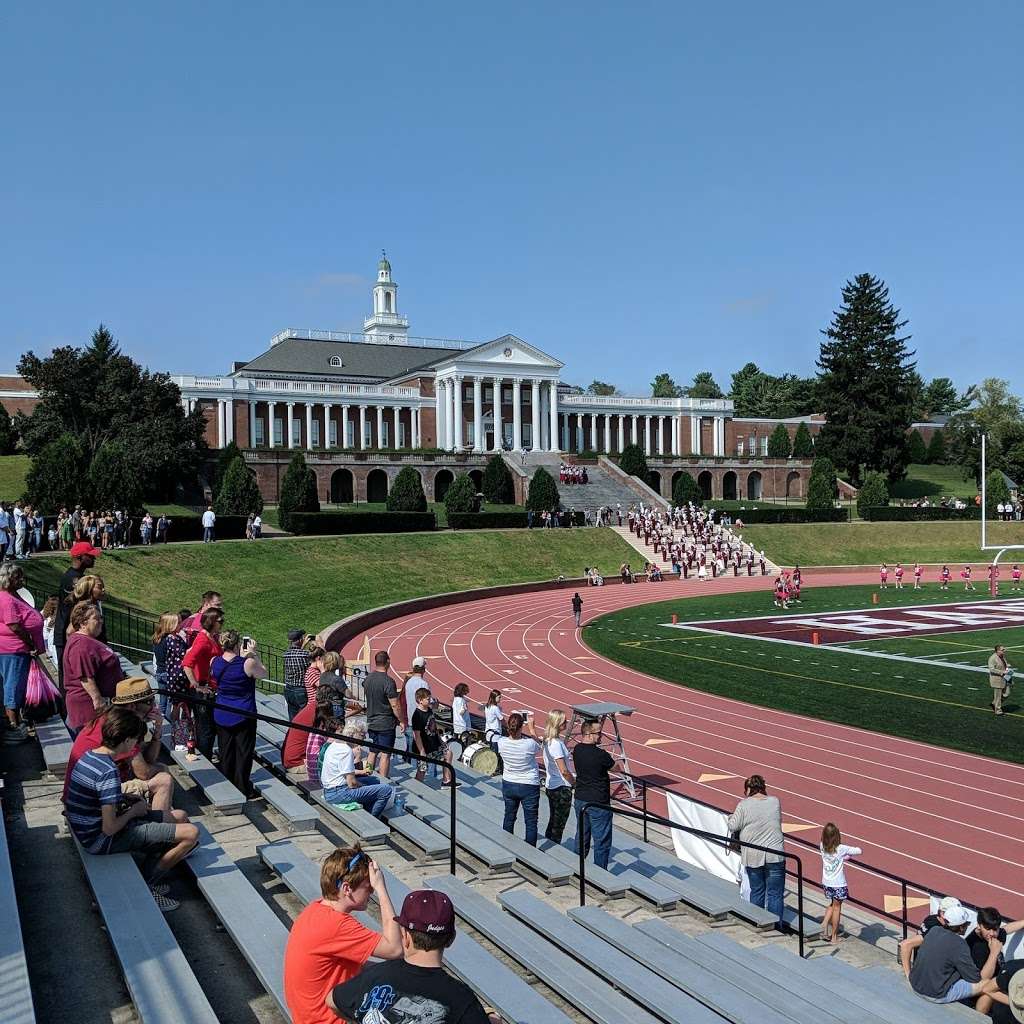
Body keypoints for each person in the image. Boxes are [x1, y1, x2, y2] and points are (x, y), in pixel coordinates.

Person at [64, 706, 199, 911]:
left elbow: (96, 797)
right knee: (191, 833)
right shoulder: (108, 771)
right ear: (126, 740)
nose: (137, 744)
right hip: (100, 840)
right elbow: (109, 829)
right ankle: (147, 885)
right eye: (136, 739)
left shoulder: (90, 755)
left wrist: (124, 797)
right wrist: (133, 812)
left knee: (180, 816)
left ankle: (152, 868)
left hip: (88, 829)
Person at [327, 888, 496, 1024]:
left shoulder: (377, 975)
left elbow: (332, 1001)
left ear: (405, 936)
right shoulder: (462, 999)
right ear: (450, 939)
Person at [284, 846, 402, 1024]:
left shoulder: (314, 910)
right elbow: (395, 949)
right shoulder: (336, 925)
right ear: (347, 888)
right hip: (327, 1019)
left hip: (307, 1015)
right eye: (368, 887)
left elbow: (352, 965)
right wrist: (382, 889)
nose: (371, 892)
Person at [63, 676, 176, 814]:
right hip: (89, 799)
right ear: (133, 706)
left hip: (81, 793)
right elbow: (144, 773)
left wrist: (158, 729)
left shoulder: (113, 718)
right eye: (149, 702)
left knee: (160, 769)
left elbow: (148, 759)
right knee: (164, 779)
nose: (154, 706)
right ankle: (158, 827)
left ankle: (158, 815)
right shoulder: (123, 729)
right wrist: (159, 770)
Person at [211, 630, 268, 798]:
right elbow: (263, 673)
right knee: (243, 753)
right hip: (244, 713)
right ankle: (242, 788)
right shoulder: (247, 663)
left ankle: (227, 786)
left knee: (226, 751)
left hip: (222, 711)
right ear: (237, 645)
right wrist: (253, 654)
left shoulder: (214, 661)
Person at [727, 774, 785, 920]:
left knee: (757, 891)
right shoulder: (775, 802)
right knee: (775, 894)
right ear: (763, 787)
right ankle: (776, 925)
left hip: (753, 855)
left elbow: (733, 825)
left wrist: (731, 817)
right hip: (775, 854)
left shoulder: (744, 804)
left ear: (748, 789)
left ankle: (758, 923)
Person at [902, 903, 986, 1005]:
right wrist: (994, 953)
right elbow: (974, 978)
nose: (967, 926)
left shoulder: (934, 930)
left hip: (915, 983)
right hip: (936, 994)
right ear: (961, 927)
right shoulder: (959, 944)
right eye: (966, 924)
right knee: (986, 984)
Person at [63, 601, 125, 735]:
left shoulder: (87, 641)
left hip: (96, 704)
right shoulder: (81, 645)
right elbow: (85, 676)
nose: (101, 621)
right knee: (92, 744)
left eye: (101, 618)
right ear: (82, 622)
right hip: (88, 707)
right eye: (96, 618)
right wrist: (97, 700)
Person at [0, 563, 44, 742]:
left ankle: (16, 720)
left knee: (15, 685)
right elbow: (14, 625)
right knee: (13, 685)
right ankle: (13, 725)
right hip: (14, 650)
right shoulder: (7, 599)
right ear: (9, 580)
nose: (22, 581)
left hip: (17, 650)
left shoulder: (13, 595)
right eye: (18, 577)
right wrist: (30, 642)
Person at [321, 721, 394, 818]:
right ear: (353, 734)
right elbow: (352, 783)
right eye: (362, 735)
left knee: (374, 780)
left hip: (330, 790)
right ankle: (372, 818)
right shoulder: (346, 751)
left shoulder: (335, 744)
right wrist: (363, 786)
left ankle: (368, 807)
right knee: (386, 789)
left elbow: (348, 773)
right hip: (339, 793)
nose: (364, 738)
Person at [53, 540, 100, 690]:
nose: (94, 558)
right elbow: (73, 612)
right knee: (69, 678)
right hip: (67, 635)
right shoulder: (72, 579)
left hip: (71, 634)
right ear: (80, 557)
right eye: (90, 555)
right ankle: (66, 712)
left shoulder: (78, 576)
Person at [181, 606, 225, 759]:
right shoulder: (203, 639)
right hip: (203, 690)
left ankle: (207, 755)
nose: (223, 623)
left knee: (209, 727)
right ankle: (205, 758)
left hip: (211, 688)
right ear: (212, 622)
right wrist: (196, 685)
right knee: (206, 729)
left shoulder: (211, 637)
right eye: (220, 621)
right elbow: (187, 663)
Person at [573, 720, 616, 869]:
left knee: (581, 836)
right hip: (598, 802)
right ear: (588, 734)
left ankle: (578, 868)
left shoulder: (577, 749)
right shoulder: (601, 754)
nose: (601, 736)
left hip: (580, 798)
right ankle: (600, 874)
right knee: (601, 840)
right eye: (598, 733)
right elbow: (616, 767)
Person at [819, 822, 862, 944]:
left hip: (827, 881)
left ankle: (824, 924)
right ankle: (834, 937)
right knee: (837, 908)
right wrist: (846, 856)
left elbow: (833, 856)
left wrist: (843, 857)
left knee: (832, 903)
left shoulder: (821, 845)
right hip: (838, 883)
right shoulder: (841, 848)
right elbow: (859, 850)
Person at [363, 651, 402, 779]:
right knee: (385, 754)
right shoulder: (388, 682)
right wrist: (401, 720)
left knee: (373, 751)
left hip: (372, 720)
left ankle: (367, 775)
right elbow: (395, 705)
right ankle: (383, 780)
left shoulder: (368, 679)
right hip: (386, 723)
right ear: (388, 662)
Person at [541, 709, 574, 844]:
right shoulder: (555, 744)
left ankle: (549, 844)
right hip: (561, 788)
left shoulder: (548, 740)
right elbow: (564, 770)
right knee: (558, 824)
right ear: (557, 724)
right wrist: (574, 782)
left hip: (552, 785)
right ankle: (553, 849)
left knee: (553, 820)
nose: (566, 723)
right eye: (564, 721)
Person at [411, 687, 453, 784]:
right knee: (422, 770)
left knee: (448, 753)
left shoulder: (429, 710)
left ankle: (446, 780)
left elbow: (434, 727)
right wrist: (422, 751)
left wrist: (441, 741)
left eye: (430, 698)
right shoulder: (417, 715)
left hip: (434, 744)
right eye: (427, 699)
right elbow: (417, 736)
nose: (430, 701)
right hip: (423, 748)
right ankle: (417, 787)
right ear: (420, 700)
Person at [284, 629, 313, 719]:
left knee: (292, 718)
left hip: (288, 690)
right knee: (303, 718)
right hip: (301, 690)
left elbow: (296, 654)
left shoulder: (286, 654)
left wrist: (303, 645)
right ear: (300, 640)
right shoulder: (305, 654)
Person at [989, 644, 1011, 716]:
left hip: (1005, 678)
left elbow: (1005, 664)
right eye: (1002, 650)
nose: (1004, 651)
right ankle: (998, 711)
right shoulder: (992, 658)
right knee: (998, 696)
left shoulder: (1002, 656)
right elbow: (991, 669)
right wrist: (1002, 672)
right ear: (998, 651)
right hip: (997, 679)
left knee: (1007, 694)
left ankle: (994, 703)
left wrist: (1007, 666)